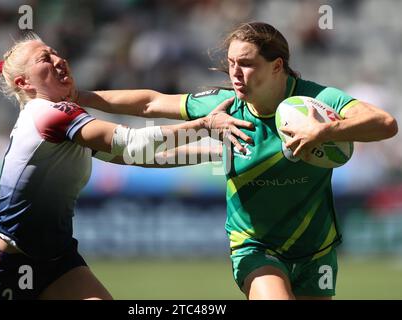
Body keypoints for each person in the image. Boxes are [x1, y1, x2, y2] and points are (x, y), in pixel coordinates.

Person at [76, 22, 398, 300]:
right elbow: (151, 103)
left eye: (245, 63)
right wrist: (79, 97)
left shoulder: (316, 102)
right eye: (231, 63)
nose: (234, 73)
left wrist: (324, 130)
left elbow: (385, 123)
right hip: (255, 247)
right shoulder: (224, 106)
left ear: (277, 66)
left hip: (317, 249)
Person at [0, 33, 253, 300]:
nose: (58, 60)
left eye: (55, 53)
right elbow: (132, 143)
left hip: (56, 259)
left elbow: (138, 157)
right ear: (23, 83)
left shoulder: (68, 120)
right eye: (44, 59)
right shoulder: (48, 115)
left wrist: (216, 150)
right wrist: (204, 124)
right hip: (2, 265)